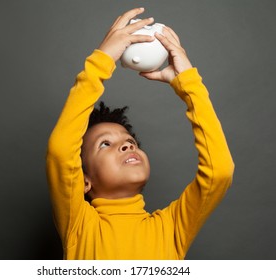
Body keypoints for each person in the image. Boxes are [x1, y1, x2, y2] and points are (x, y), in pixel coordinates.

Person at [46, 7, 234, 259]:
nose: (127, 146)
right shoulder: (80, 226)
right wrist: (102, 60)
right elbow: (61, 151)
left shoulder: (171, 227)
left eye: (130, 141)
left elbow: (219, 172)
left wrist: (189, 85)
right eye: (104, 144)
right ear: (84, 181)